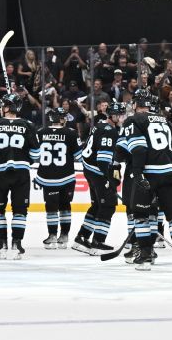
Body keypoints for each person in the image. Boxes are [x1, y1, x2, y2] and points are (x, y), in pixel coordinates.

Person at [117, 90, 172, 270]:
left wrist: (138, 172)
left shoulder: (133, 120)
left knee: (141, 216)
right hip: (169, 173)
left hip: (149, 174)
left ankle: (145, 255)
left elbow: (138, 150)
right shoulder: (165, 120)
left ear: (135, 105)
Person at [0, 92, 35, 260]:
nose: (1, 108)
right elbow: (37, 153)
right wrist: (24, 160)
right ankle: (17, 245)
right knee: (20, 210)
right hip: (21, 173)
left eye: (3, 105)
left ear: (9, 106)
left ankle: (1, 244)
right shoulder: (28, 125)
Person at [72, 100, 124, 254]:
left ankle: (82, 237)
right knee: (108, 205)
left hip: (90, 170)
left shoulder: (100, 125)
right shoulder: (109, 130)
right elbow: (102, 160)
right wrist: (109, 178)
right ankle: (98, 241)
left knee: (97, 205)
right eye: (120, 115)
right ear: (113, 116)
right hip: (98, 172)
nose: (122, 118)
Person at [34, 106, 81, 251]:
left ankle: (52, 236)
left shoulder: (40, 132)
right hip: (67, 176)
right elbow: (79, 157)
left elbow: (35, 156)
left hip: (47, 177)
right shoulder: (71, 133)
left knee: (51, 208)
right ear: (61, 119)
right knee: (65, 206)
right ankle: (64, 236)